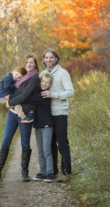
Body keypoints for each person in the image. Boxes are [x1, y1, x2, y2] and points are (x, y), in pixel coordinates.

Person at [0, 53, 40, 182]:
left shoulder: (34, 78)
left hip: (26, 113)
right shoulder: (20, 77)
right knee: (6, 141)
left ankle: (25, 172)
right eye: (27, 62)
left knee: (25, 142)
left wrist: (10, 100)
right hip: (12, 114)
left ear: (35, 64)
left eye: (32, 62)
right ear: (24, 63)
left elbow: (25, 95)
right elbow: (7, 87)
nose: (29, 64)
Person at [40, 49, 74, 182]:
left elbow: (70, 92)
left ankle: (66, 172)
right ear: (44, 59)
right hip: (47, 115)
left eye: (51, 57)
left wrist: (53, 95)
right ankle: (52, 171)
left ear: (56, 59)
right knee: (51, 144)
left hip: (60, 113)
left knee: (62, 143)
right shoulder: (42, 74)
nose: (49, 60)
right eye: (46, 57)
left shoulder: (63, 73)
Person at [23, 73, 54, 182]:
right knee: (40, 151)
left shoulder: (45, 94)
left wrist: (23, 95)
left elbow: (29, 99)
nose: (44, 84)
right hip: (38, 126)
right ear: (40, 82)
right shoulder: (38, 93)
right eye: (43, 81)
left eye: (47, 82)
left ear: (50, 84)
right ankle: (43, 172)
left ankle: (50, 174)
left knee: (46, 150)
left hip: (46, 126)